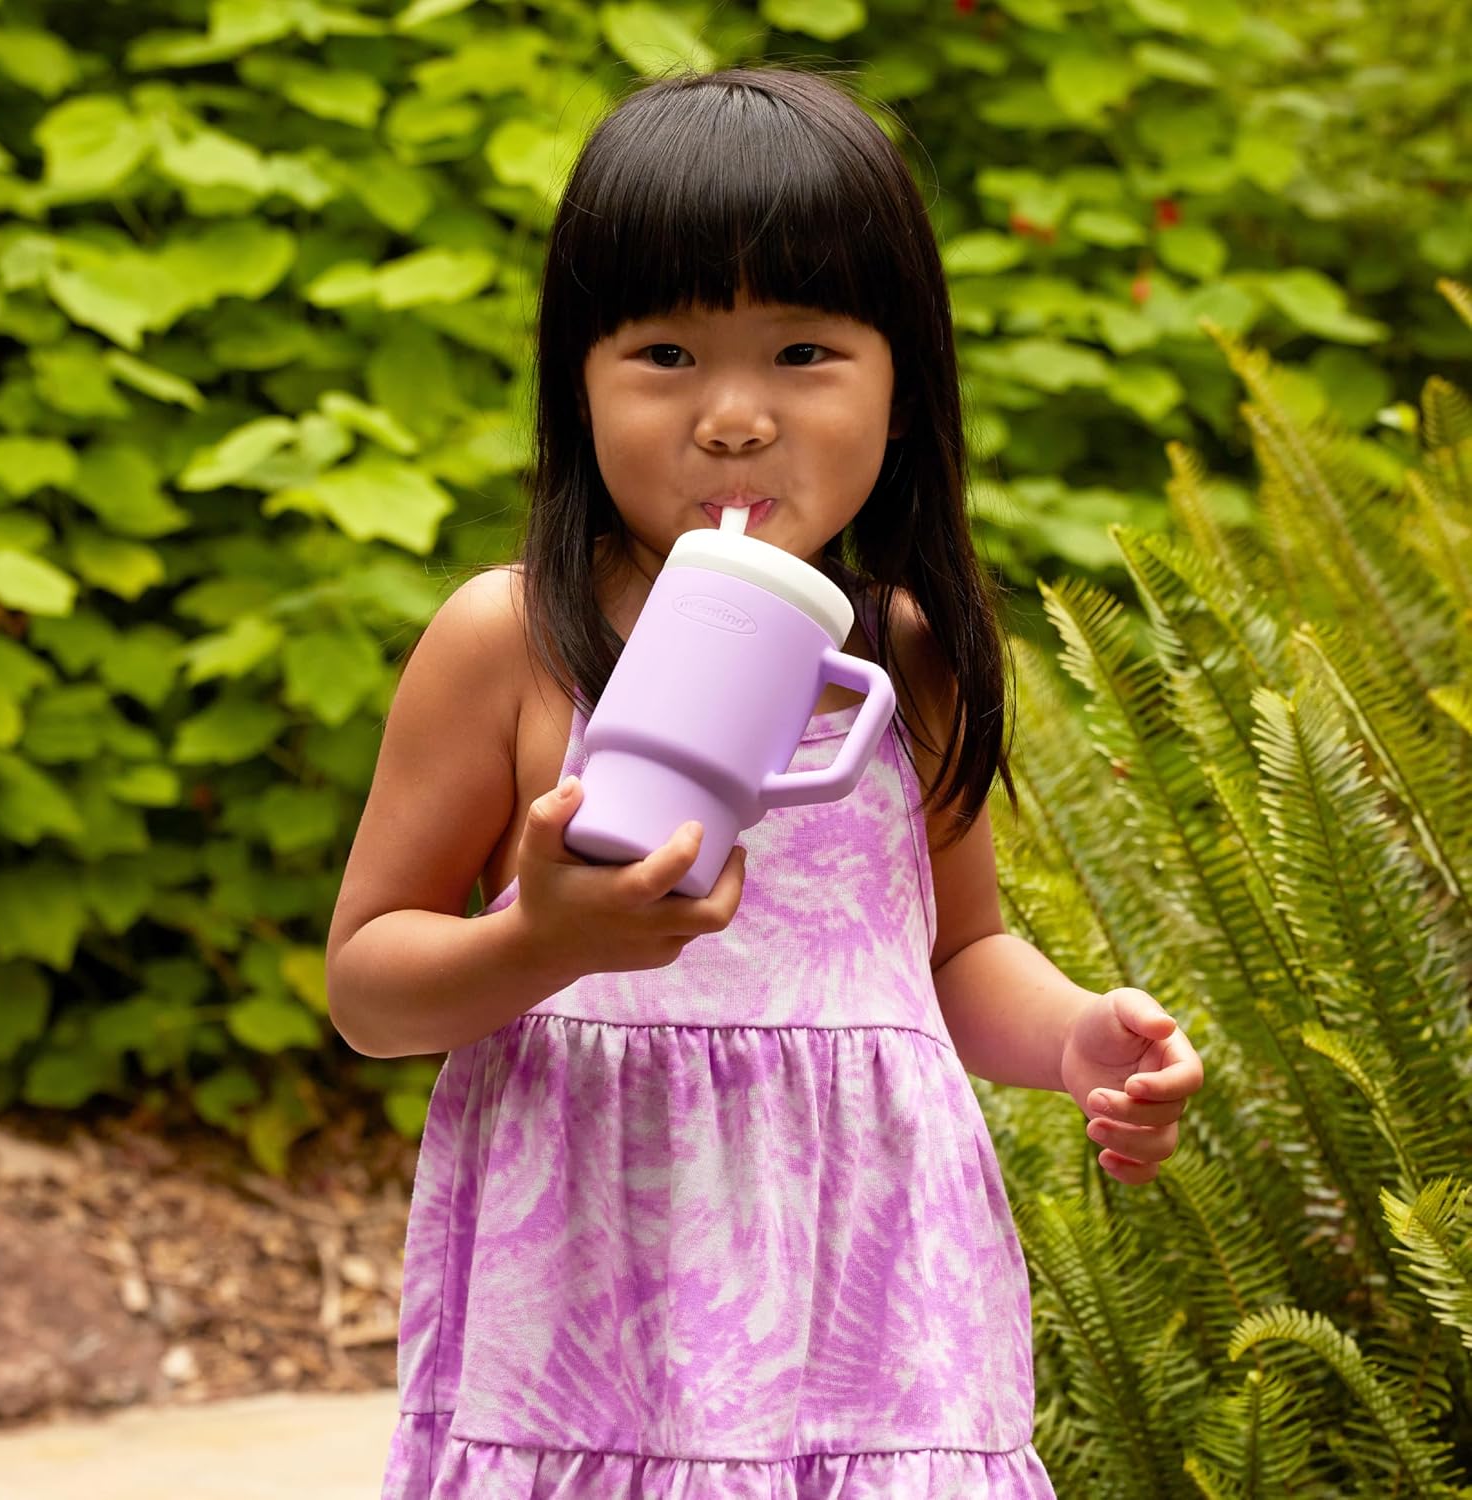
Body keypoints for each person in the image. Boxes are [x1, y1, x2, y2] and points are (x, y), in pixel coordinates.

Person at [326, 63, 1204, 1500]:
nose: (733, 418)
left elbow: (955, 954)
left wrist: (1077, 1044)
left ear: (904, 387)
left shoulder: (904, 657)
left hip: (876, 1329)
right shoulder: (512, 645)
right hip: (591, 1336)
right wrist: (538, 942)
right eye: (665, 355)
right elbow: (368, 986)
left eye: (804, 353)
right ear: (579, 384)